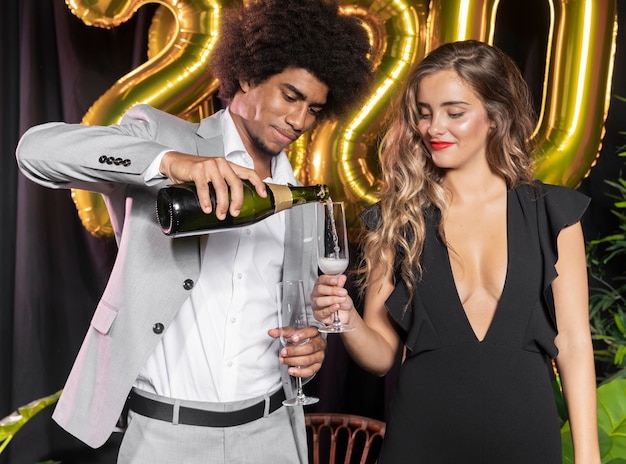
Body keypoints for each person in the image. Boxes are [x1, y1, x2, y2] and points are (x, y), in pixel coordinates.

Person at [15, 1, 373, 462]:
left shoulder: (300, 196)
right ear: (248, 75)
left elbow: (291, 312)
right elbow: (35, 151)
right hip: (165, 436)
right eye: (290, 95)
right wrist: (170, 163)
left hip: (270, 433)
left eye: (314, 109)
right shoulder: (161, 138)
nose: (300, 121)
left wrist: (311, 346)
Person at [311, 40, 600, 463]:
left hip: (527, 439)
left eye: (454, 113)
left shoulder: (554, 214)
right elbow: (380, 357)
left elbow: (574, 343)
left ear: (495, 117)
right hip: (421, 439)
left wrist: (588, 456)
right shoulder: (397, 218)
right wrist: (344, 315)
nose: (433, 128)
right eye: (424, 113)